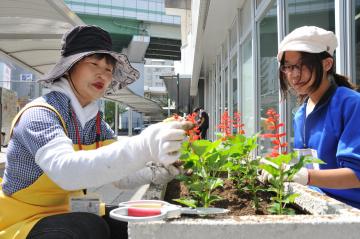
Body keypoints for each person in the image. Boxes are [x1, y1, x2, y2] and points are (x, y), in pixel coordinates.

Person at [0, 25, 191, 239]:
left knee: (139, 225)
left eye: (109, 69)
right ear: (69, 67)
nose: (103, 73)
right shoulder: (40, 114)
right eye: (94, 63)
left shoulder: (96, 123)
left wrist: (158, 171)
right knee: (89, 226)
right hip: (24, 220)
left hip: (69, 213)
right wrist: (145, 145)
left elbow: (121, 177)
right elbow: (66, 172)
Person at [263, 26, 360, 209]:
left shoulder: (351, 104)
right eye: (288, 67)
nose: (294, 75)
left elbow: (357, 175)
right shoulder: (301, 114)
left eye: (302, 65)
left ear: (327, 64)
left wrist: (305, 176)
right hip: (320, 206)